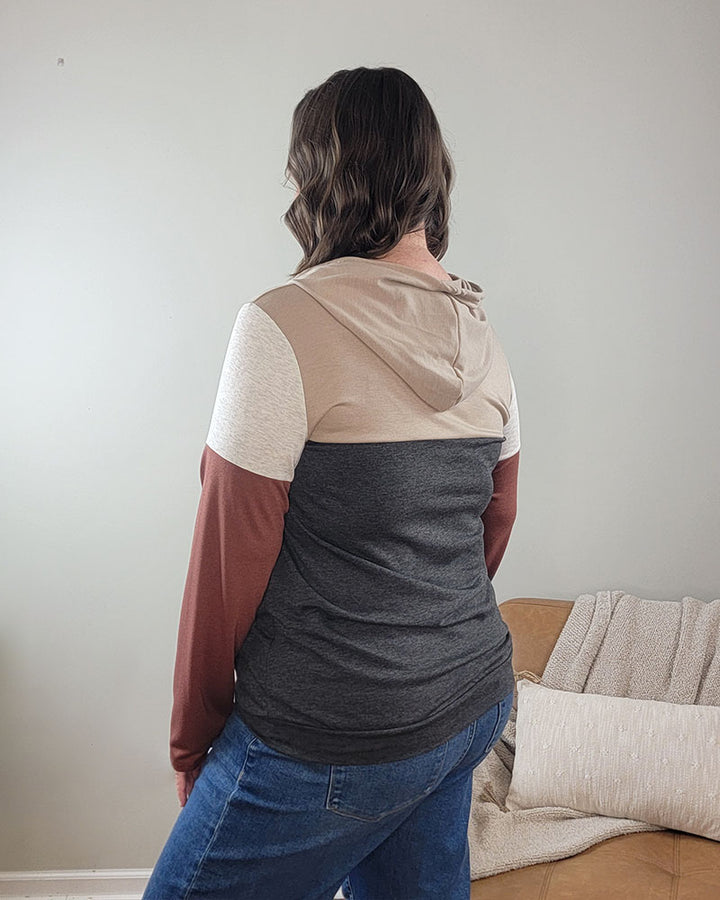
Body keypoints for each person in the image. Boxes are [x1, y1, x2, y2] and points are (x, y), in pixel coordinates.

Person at [142, 65, 520, 900]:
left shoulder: (282, 325)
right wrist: (421, 647)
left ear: (320, 179)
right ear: (432, 177)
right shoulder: (483, 334)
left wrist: (192, 744)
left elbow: (223, 568)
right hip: (469, 699)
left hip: (333, 733)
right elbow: (493, 525)